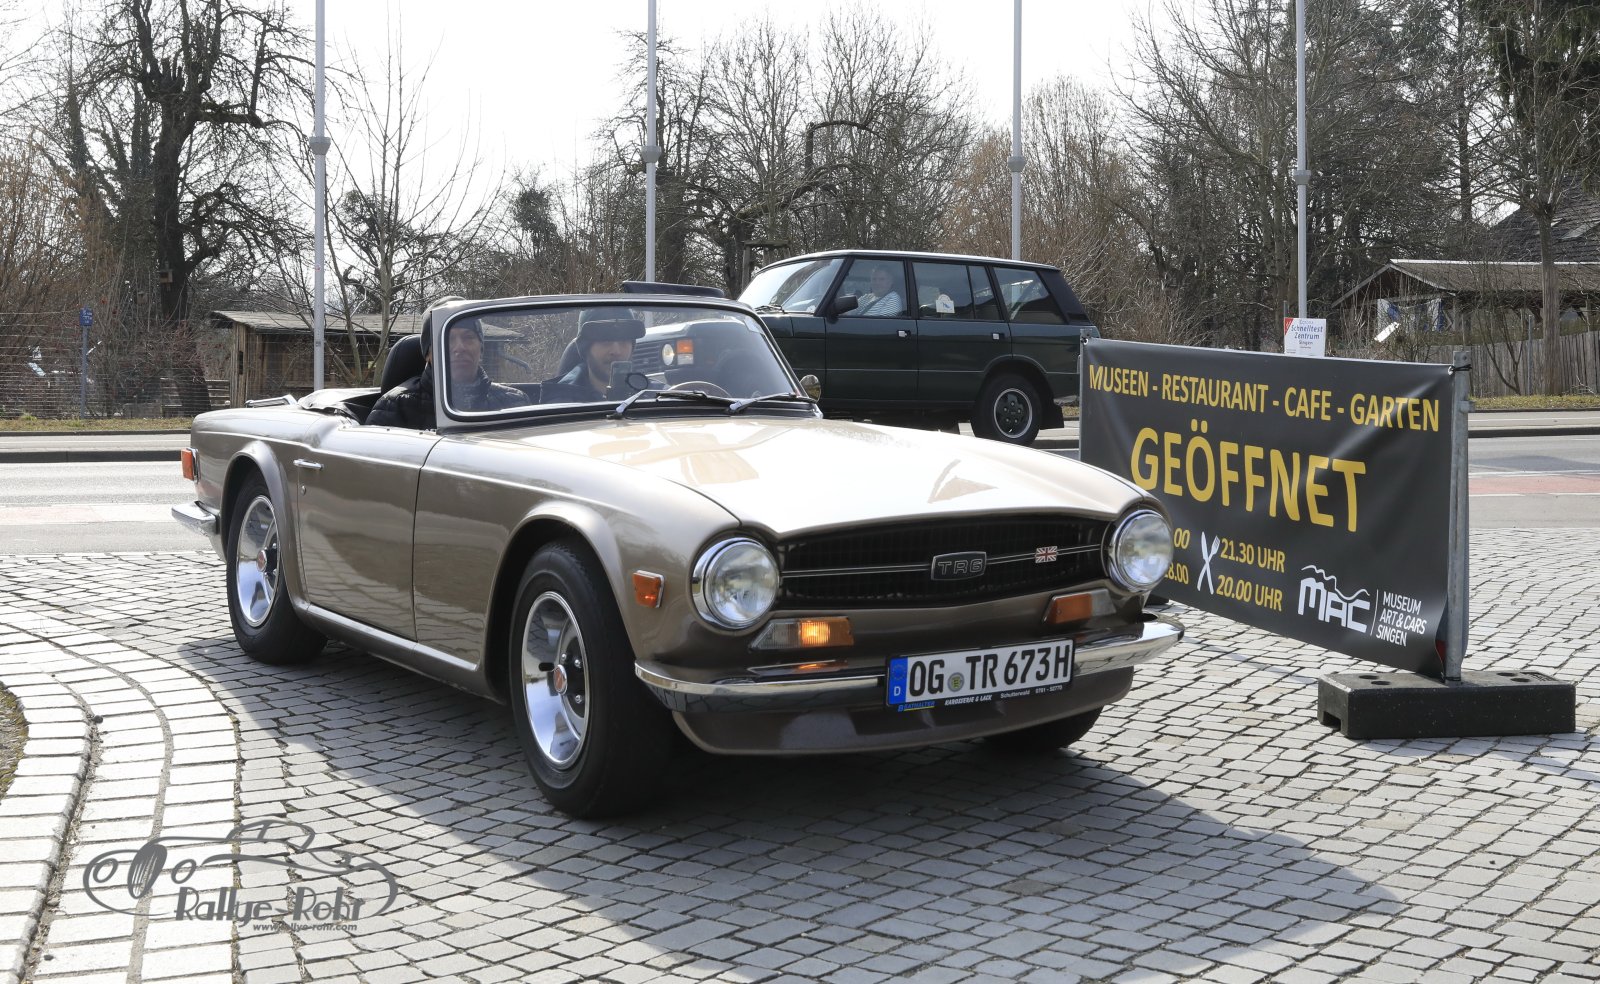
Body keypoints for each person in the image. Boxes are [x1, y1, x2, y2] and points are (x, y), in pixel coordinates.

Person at [367, 318, 529, 427]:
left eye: (468, 337)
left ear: (481, 349)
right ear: (428, 354)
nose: (460, 347)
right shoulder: (394, 408)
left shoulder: (514, 403)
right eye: (448, 339)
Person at [542, 309, 647, 402]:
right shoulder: (562, 405)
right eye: (606, 341)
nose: (616, 351)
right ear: (585, 348)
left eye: (624, 341)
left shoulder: (651, 396)